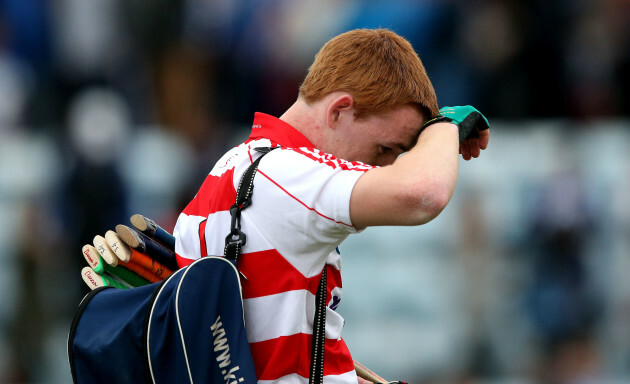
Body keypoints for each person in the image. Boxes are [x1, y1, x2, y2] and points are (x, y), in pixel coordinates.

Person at [173, 28, 490, 384]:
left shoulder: (235, 165)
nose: (381, 169)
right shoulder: (289, 175)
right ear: (339, 110)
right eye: (384, 150)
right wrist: (445, 127)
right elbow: (424, 194)